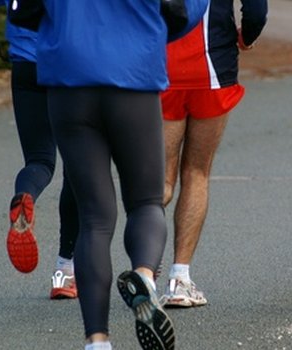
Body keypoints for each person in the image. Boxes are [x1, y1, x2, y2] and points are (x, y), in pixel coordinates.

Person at [35, 1, 206, 349]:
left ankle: (97, 341)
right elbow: (187, 9)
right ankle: (144, 275)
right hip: (133, 71)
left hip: (68, 78)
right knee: (145, 202)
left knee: (94, 219)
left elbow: (18, 11)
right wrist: (150, 33)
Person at [160, 0, 268, 308]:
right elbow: (257, 11)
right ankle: (179, 279)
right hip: (214, 66)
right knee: (197, 172)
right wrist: (246, 37)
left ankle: (143, 267)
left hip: (161, 62)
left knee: (160, 181)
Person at [0, 0, 79, 300]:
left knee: (39, 160)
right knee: (77, 168)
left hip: (25, 65)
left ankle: (25, 197)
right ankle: (64, 272)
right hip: (70, 64)